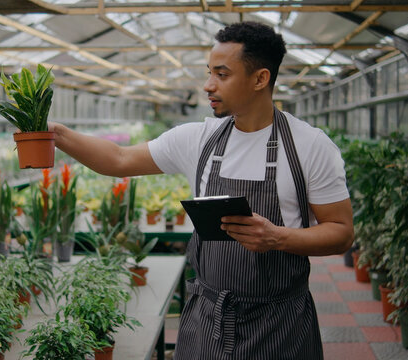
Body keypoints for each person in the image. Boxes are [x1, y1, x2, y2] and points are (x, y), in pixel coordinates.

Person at [49, 21, 353, 360]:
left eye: (222, 75)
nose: (209, 85)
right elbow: (119, 159)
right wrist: (56, 134)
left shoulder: (309, 146)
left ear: (260, 79)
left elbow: (341, 233)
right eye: (210, 73)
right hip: (208, 319)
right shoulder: (199, 139)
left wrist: (278, 238)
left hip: (279, 324)